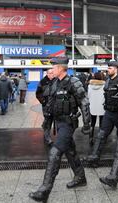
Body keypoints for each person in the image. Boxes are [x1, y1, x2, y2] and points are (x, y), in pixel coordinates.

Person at [29, 58, 91, 202]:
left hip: (68, 123)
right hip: (58, 122)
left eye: (54, 67)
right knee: (70, 151)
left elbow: (84, 101)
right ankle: (80, 177)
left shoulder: (73, 82)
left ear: (61, 68)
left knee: (54, 153)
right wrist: (47, 121)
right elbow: (50, 102)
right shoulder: (55, 83)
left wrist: (87, 123)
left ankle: (45, 190)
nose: (52, 70)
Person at [86, 61, 118, 166]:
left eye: (110, 68)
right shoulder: (107, 81)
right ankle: (95, 157)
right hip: (108, 112)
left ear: (116, 69)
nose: (108, 70)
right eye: (108, 68)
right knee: (101, 135)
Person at [36, 69, 56, 145]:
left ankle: (44, 126)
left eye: (52, 73)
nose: (51, 74)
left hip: (55, 104)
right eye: (50, 73)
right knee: (48, 120)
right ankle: (47, 138)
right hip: (46, 105)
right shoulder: (42, 82)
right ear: (47, 74)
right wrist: (43, 102)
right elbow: (38, 93)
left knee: (55, 119)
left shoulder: (56, 81)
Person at [87, 72, 105, 146]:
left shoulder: (90, 86)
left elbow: (88, 96)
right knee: (102, 123)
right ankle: (100, 139)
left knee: (92, 123)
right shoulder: (104, 85)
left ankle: (91, 138)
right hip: (102, 106)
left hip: (93, 106)